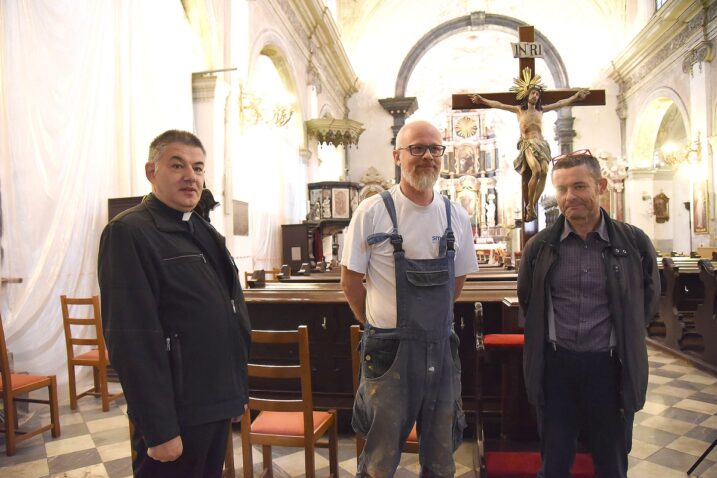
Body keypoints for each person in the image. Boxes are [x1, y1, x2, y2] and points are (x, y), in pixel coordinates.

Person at [98, 130, 251, 478]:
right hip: (177, 412)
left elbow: (229, 310)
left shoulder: (202, 229)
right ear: (151, 172)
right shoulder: (129, 232)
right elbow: (131, 338)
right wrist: (159, 428)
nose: (191, 176)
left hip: (214, 400)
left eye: (198, 168)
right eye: (177, 165)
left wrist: (236, 390)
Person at [341, 120, 479, 477]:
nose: (427, 156)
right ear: (397, 156)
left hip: (441, 348)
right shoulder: (372, 211)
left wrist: (434, 320)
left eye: (435, 149)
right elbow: (351, 280)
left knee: (440, 457)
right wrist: (373, 323)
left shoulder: (456, 214)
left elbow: (458, 278)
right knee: (380, 459)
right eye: (417, 148)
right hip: (389, 353)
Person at [517, 150, 659, 477]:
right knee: (554, 463)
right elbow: (530, 301)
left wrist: (624, 334)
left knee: (612, 463)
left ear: (601, 186)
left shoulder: (634, 242)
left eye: (580, 186)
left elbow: (648, 302)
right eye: (562, 189)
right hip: (557, 368)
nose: (570, 197)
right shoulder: (539, 247)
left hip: (610, 368)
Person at [471, 84, 589, 222]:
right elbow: (499, 104)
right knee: (537, 171)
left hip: (542, 144)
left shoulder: (541, 111)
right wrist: (482, 101)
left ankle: (532, 205)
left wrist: (575, 97)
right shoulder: (519, 110)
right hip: (529, 143)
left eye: (538, 95)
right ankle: (531, 207)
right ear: (527, 95)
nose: (535, 96)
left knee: (545, 172)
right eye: (533, 93)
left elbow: (560, 103)